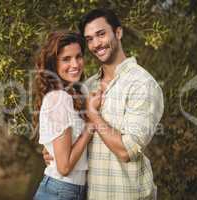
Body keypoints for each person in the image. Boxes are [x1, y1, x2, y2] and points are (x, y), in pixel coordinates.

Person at [43, 9, 164, 200]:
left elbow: (126, 151)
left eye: (101, 34)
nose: (96, 44)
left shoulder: (142, 84)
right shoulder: (86, 87)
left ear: (118, 33)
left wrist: (93, 114)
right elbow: (70, 140)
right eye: (89, 39)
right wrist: (53, 151)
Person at [33, 31, 100, 200]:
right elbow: (64, 167)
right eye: (66, 59)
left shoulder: (69, 95)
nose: (75, 64)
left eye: (78, 56)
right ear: (53, 64)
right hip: (61, 191)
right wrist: (91, 124)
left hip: (66, 190)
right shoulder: (60, 98)